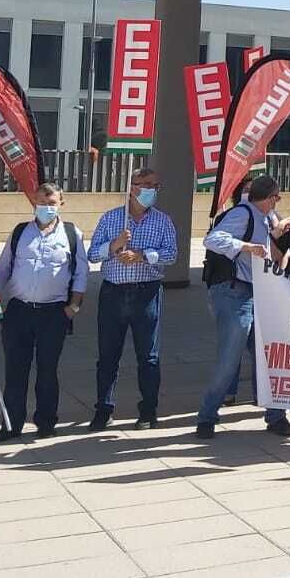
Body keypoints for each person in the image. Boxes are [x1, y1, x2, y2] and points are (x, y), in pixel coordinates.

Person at [196, 176, 290, 439]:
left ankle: (276, 415)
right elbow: (213, 239)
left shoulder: (265, 218)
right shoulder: (243, 214)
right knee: (229, 359)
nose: (277, 203)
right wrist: (245, 247)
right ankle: (207, 416)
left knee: (266, 358)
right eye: (276, 198)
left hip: (256, 293)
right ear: (269, 197)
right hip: (234, 293)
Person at [0, 183, 86, 441]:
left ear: (61, 204)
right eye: (41, 203)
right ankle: (11, 424)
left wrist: (73, 306)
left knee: (47, 370)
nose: (46, 207)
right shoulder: (20, 232)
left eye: (52, 203)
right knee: (15, 370)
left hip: (53, 313)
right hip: (18, 311)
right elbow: (1, 270)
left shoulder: (71, 234)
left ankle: (46, 422)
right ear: (33, 203)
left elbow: (80, 273)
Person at [87, 168, 178, 430]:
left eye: (155, 186)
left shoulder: (163, 221)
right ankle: (103, 409)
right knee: (107, 356)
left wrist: (144, 255)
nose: (151, 190)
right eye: (146, 185)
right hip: (113, 293)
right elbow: (93, 254)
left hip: (146, 292)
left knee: (148, 356)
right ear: (132, 187)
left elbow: (171, 254)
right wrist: (114, 246)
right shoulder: (112, 218)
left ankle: (148, 411)